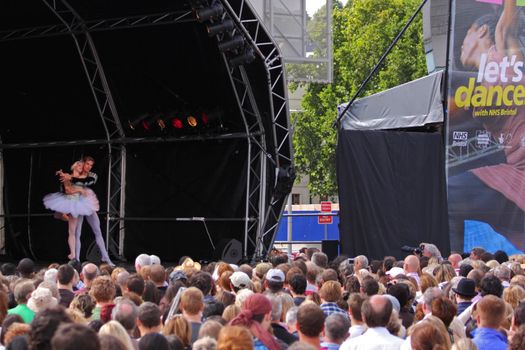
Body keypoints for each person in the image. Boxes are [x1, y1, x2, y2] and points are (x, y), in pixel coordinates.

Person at [448, 0, 525, 252]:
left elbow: (508, 21)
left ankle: (451, 266)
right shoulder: (477, 84)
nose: (461, 42)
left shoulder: (502, 51)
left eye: (466, 33)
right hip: (512, 172)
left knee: (447, 194)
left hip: (519, 175)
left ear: (481, 30)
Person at [60, 156, 114, 266]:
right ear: (83, 164)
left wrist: (70, 178)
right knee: (77, 233)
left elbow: (86, 181)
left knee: (97, 230)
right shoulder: (74, 175)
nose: (89, 167)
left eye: (91, 165)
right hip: (77, 205)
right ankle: (77, 260)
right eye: (87, 164)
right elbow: (67, 190)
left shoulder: (92, 175)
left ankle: (106, 257)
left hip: (88, 205)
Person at [44, 160, 99, 260]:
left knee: (72, 231)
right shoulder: (67, 176)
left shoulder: (82, 178)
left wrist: (83, 191)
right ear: (74, 166)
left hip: (76, 204)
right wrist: (79, 189)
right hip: (69, 201)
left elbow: (90, 181)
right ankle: (63, 215)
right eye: (78, 165)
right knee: (64, 220)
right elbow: (68, 190)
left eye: (81, 166)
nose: (80, 166)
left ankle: (73, 253)